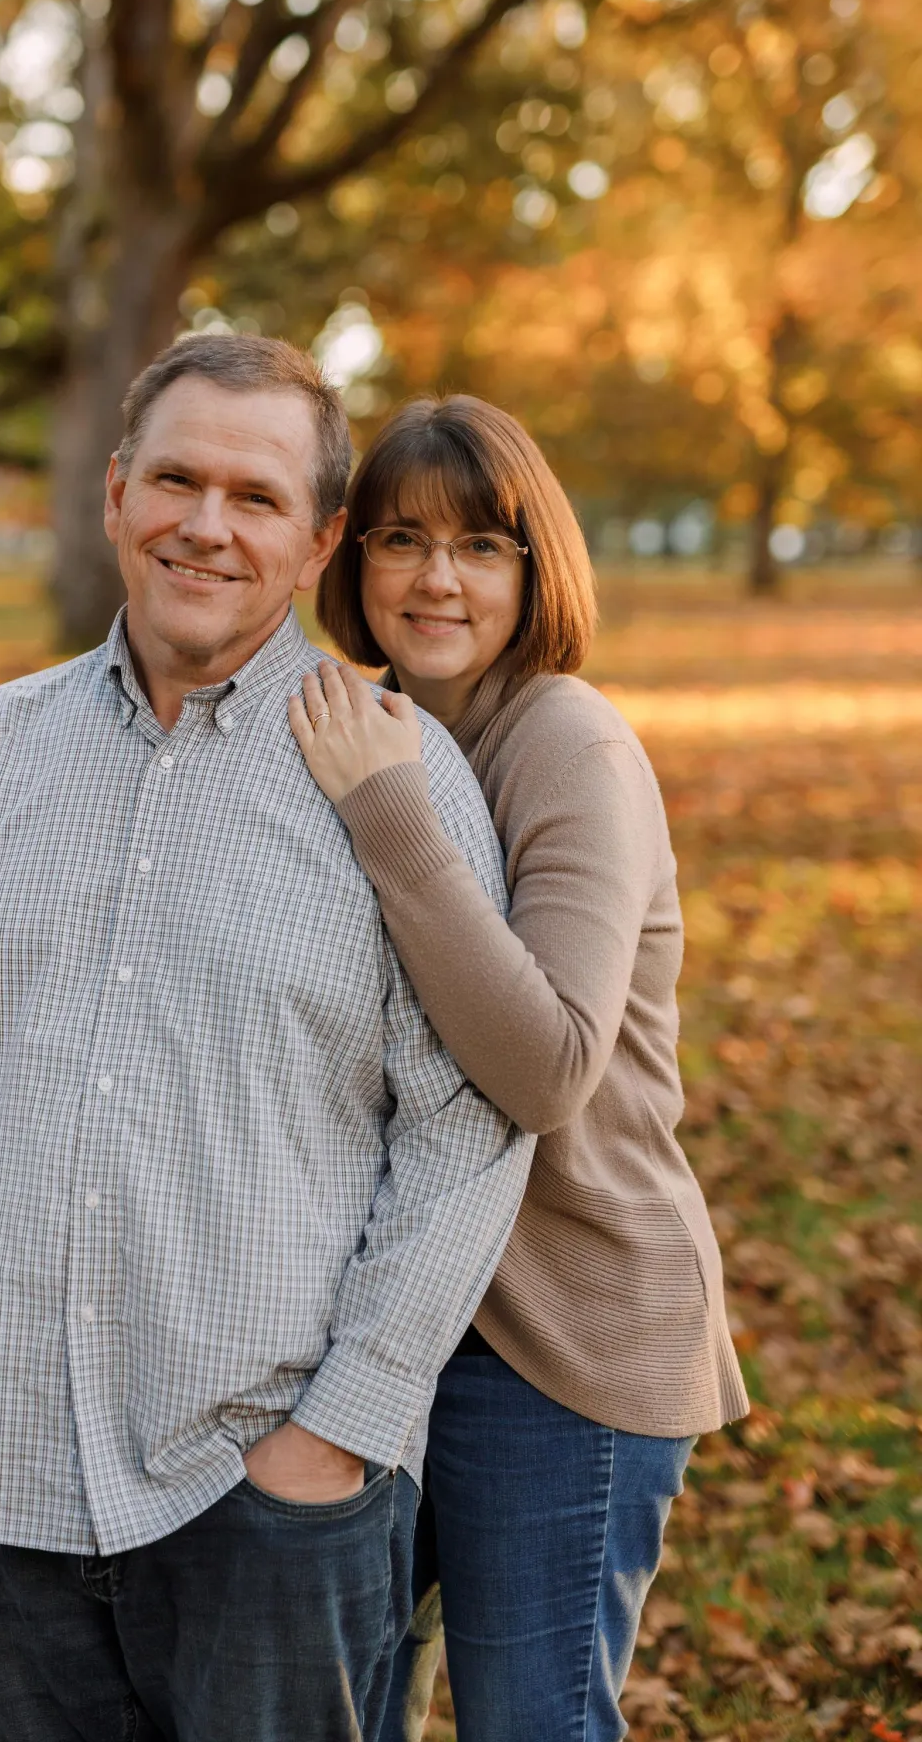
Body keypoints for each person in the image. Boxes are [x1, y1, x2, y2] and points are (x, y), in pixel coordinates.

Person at [0, 340, 535, 1742]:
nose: (207, 525)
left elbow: (467, 1123)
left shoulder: (397, 774)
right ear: (114, 494)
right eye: (178, 479)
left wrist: (338, 1433)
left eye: (257, 499)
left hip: (265, 1487)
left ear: (319, 538)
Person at [289, 394, 748, 1742]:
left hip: (564, 1334)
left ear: (536, 569)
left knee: (529, 1724)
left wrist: (389, 820)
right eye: (401, 538)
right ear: (348, 560)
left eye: (483, 546)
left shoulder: (566, 742)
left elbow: (549, 1067)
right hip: (400, 1319)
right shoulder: (360, 723)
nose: (438, 578)